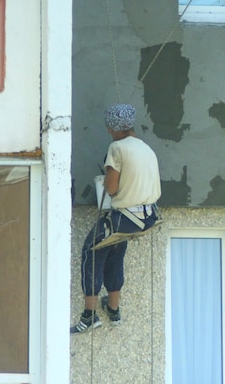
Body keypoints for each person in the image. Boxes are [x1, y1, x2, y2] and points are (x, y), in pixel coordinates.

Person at [70, 103, 162, 334]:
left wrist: (110, 183)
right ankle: (113, 309)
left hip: (125, 216)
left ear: (114, 126)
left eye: (109, 127)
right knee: (114, 250)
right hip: (147, 217)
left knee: (91, 251)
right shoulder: (146, 148)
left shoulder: (117, 148)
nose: (108, 131)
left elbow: (111, 188)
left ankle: (90, 315)